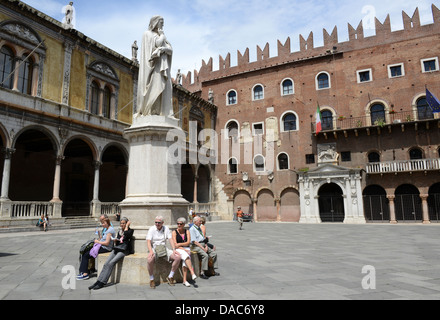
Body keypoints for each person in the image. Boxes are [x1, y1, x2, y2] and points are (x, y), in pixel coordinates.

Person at [136, 16, 173, 117]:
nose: (163, 25)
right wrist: (162, 37)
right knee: (155, 88)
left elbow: (170, 49)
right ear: (155, 23)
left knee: (162, 87)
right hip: (154, 67)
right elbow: (157, 44)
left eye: (163, 23)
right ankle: (151, 111)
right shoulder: (148, 34)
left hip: (162, 67)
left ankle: (158, 112)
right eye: (161, 23)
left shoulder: (161, 36)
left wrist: (163, 49)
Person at [88, 217, 134, 290]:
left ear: (127, 223)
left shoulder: (130, 230)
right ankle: (98, 281)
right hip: (117, 248)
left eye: (124, 223)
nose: (122, 225)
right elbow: (120, 239)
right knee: (106, 263)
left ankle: (103, 282)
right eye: (121, 223)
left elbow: (126, 235)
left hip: (124, 250)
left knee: (111, 263)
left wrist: (127, 227)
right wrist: (115, 240)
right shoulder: (119, 231)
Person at [146, 216, 181, 289]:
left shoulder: (166, 228)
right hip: (154, 247)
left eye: (159, 222)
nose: (157, 224)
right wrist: (151, 251)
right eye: (156, 222)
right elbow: (148, 241)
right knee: (149, 259)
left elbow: (170, 239)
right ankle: (151, 279)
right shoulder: (152, 229)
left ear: (162, 223)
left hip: (164, 247)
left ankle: (170, 276)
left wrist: (174, 249)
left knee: (178, 257)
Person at [172, 217, 197, 287]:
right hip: (179, 249)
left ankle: (184, 280)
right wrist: (183, 247)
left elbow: (188, 242)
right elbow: (175, 245)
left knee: (184, 262)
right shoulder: (174, 232)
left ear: (184, 224)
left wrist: (180, 244)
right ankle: (192, 272)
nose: (179, 225)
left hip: (186, 248)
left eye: (180, 224)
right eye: (178, 224)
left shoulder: (187, 231)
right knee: (186, 255)